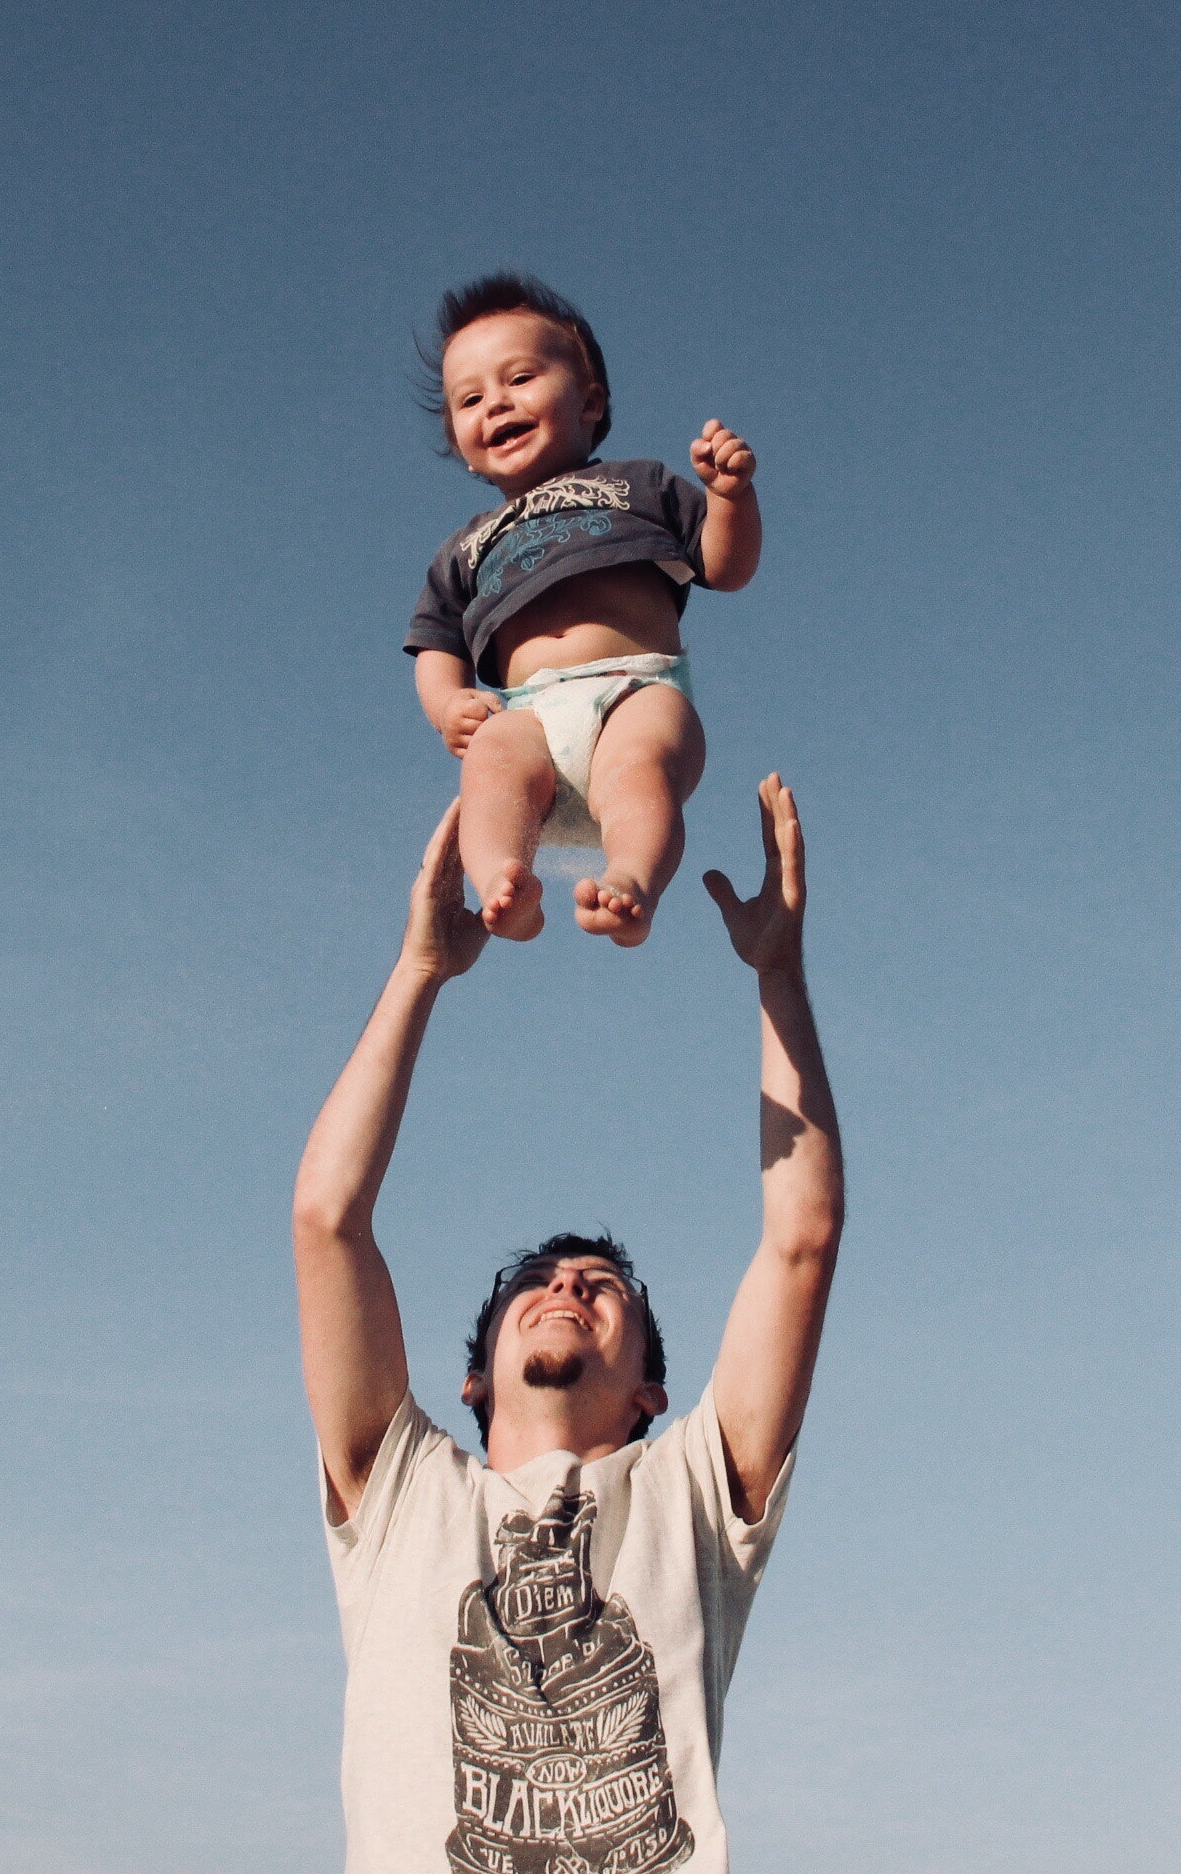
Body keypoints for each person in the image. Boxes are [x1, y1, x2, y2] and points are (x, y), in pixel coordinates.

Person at [292, 776, 843, 1873]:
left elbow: (802, 1239)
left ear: (651, 1393)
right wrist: (418, 973)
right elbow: (327, 1220)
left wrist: (779, 973)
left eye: (604, 1287)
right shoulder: (403, 1497)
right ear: (472, 1380)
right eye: (536, 1282)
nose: (567, 1287)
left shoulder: (692, 1495)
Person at [405, 272, 762, 948]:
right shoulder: (466, 547)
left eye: (520, 379)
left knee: (638, 773)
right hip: (527, 713)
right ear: (459, 442)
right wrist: (448, 705)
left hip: (638, 689)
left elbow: (725, 567)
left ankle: (631, 881)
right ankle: (503, 883)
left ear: (590, 401)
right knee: (489, 765)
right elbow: (435, 643)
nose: (496, 404)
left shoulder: (639, 485)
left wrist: (729, 499)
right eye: (471, 398)